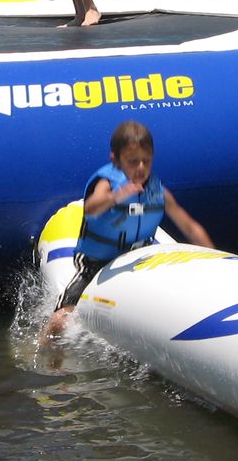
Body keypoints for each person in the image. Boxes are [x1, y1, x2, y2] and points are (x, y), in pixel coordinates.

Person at [47, 120, 212, 336]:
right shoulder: (107, 182)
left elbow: (190, 227)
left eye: (146, 161)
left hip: (140, 260)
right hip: (95, 264)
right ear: (115, 160)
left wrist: (215, 256)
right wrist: (117, 196)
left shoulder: (158, 191)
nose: (141, 168)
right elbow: (92, 207)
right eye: (133, 162)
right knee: (61, 319)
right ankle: (46, 354)